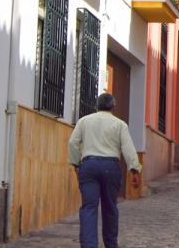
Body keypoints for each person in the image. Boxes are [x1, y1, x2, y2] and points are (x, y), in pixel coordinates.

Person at [68, 93, 142, 248]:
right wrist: (134, 169)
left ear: (97, 106)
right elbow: (128, 148)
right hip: (110, 167)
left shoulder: (84, 121)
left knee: (89, 207)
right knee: (110, 207)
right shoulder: (120, 124)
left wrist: (76, 164)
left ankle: (89, 245)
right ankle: (110, 244)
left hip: (89, 166)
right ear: (114, 107)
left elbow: (73, 143)